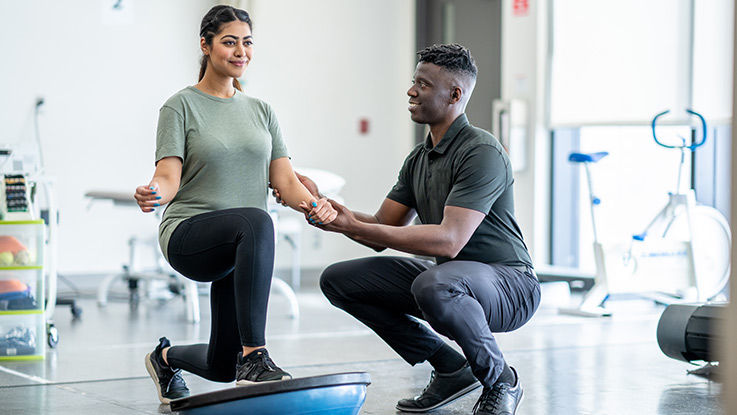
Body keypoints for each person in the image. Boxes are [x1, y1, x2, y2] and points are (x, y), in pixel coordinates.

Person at [276, 44, 539, 415]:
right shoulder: (419, 158)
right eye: (413, 82)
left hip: (511, 285)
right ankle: (450, 368)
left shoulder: (482, 151)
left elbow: (449, 241)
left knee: (435, 283)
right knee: (339, 280)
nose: (411, 91)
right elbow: (383, 228)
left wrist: (351, 223)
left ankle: (501, 381)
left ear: (454, 95)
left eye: (423, 84)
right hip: (449, 280)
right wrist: (335, 215)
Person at [133, 5, 337, 405]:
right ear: (206, 46)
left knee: (221, 366)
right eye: (229, 42)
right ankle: (255, 356)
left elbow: (286, 182)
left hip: (239, 243)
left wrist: (317, 206)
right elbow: (168, 177)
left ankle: (165, 358)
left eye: (247, 42)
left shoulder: (262, 111)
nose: (240, 51)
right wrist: (153, 191)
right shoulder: (181, 106)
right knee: (259, 221)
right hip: (190, 233)